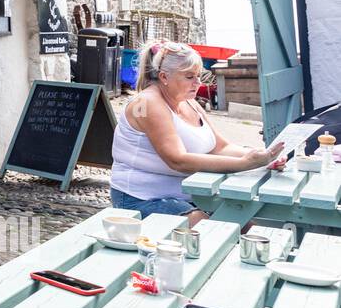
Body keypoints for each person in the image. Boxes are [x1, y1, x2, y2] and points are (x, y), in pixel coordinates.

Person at [111, 41, 284, 225]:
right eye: (189, 77)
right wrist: (244, 164)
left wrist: (263, 156)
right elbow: (177, 160)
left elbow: (221, 147)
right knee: (207, 228)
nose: (198, 82)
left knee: (247, 222)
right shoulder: (146, 103)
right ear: (164, 77)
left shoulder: (189, 102)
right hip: (141, 198)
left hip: (191, 196)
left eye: (199, 76)